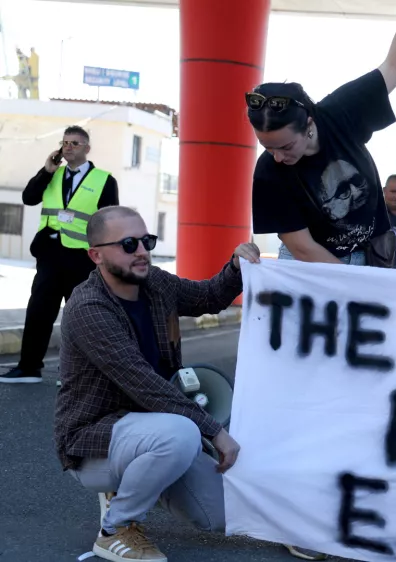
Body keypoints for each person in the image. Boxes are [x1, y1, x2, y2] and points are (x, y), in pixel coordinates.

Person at [55, 206, 259, 561]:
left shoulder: (155, 284)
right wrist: (213, 430)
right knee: (181, 434)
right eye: (129, 244)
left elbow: (208, 296)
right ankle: (115, 528)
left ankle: (137, 480)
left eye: (146, 241)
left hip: (156, 428)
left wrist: (235, 268)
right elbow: (144, 383)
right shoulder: (88, 307)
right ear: (96, 255)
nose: (142, 252)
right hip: (96, 440)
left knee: (220, 516)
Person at [249, 19, 396, 268]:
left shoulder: (341, 111)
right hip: (310, 264)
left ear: (309, 125)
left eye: (286, 147)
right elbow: (303, 248)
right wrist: (352, 285)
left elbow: (394, 66)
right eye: (268, 148)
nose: (277, 157)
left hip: (372, 254)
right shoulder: (268, 172)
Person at [0, 126, 119, 384]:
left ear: (87, 149)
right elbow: (29, 198)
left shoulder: (104, 179)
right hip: (50, 253)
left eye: (75, 143)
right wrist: (46, 170)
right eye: (65, 142)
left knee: (80, 315)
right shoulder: (52, 174)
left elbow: (110, 221)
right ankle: (29, 368)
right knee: (39, 310)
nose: (68, 147)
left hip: (82, 256)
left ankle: (74, 373)